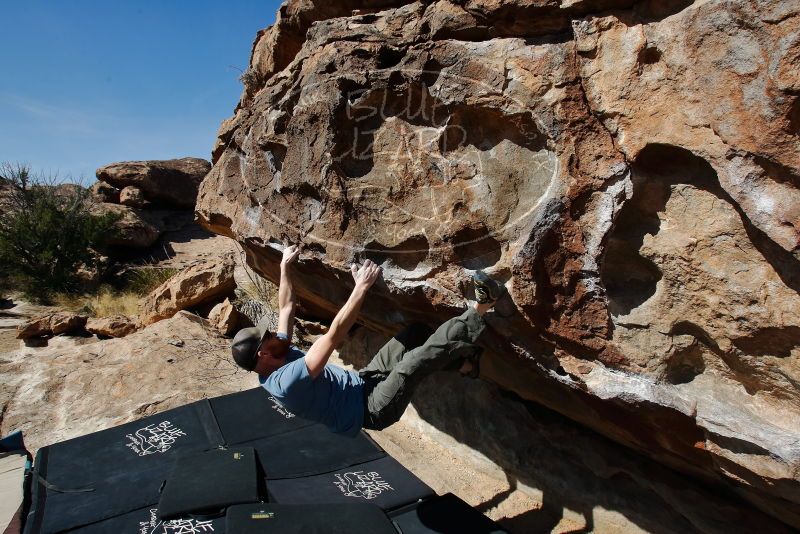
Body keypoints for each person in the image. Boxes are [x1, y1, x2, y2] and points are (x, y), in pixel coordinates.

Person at [231, 244, 505, 437]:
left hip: (363, 383)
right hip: (371, 409)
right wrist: (360, 287)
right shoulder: (286, 383)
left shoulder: (274, 352)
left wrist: (284, 266)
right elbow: (334, 334)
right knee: (412, 363)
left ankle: (464, 364)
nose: (274, 335)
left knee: (415, 335)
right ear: (262, 355)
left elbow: (287, 307)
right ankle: (484, 304)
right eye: (267, 338)